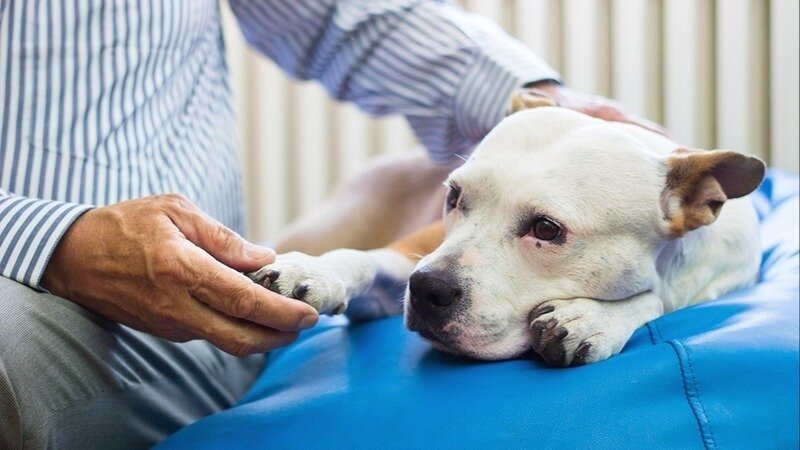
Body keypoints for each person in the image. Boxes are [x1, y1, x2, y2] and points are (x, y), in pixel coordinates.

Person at [0, 1, 663, 447]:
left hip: (187, 298)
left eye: (545, 227)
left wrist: (539, 101)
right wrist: (52, 240)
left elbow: (336, 14)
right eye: (457, 199)